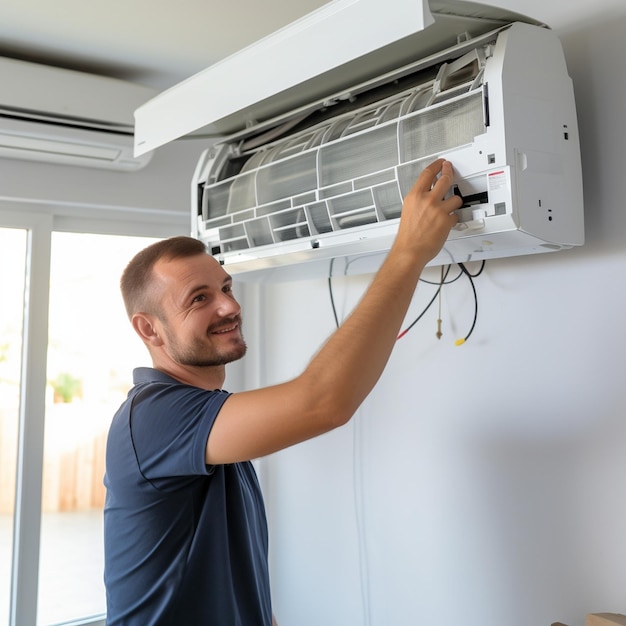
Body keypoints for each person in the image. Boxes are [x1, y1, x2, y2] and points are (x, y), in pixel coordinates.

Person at [103, 158, 462, 625]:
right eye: (199, 298)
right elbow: (324, 402)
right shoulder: (153, 417)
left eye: (226, 287)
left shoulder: (206, 417)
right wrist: (409, 252)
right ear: (149, 329)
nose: (230, 306)